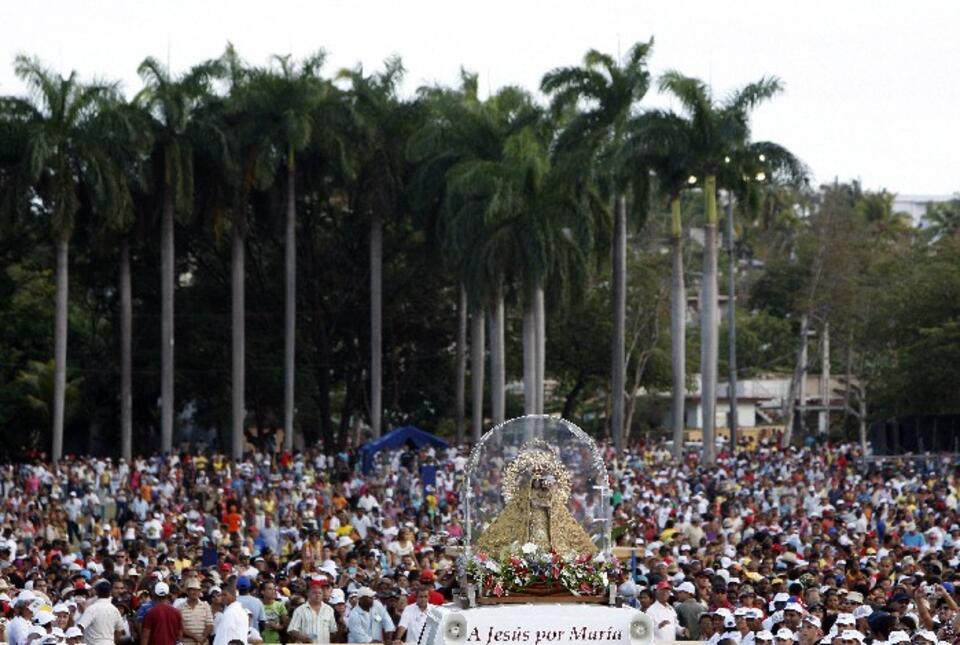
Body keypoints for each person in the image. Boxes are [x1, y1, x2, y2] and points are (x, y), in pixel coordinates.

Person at [179, 579, 213, 645]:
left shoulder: (206, 606)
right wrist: (195, 637)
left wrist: (202, 637)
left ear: (200, 591)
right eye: (192, 590)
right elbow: (181, 628)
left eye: (197, 590)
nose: (195, 592)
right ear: (187, 591)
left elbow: (210, 625)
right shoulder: (180, 608)